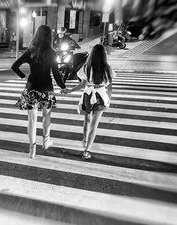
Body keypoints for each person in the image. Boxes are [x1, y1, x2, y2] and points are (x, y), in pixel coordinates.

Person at [12, 25, 67, 159]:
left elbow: (14, 66)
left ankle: (32, 150)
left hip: (32, 87)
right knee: (46, 115)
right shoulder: (52, 53)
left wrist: (23, 76)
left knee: (31, 120)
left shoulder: (30, 51)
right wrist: (63, 87)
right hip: (46, 88)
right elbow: (56, 73)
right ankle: (46, 141)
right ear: (49, 37)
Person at [63, 44, 116, 160]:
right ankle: (86, 151)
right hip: (101, 96)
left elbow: (82, 85)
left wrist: (69, 90)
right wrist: (108, 99)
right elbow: (110, 87)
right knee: (94, 125)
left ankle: (84, 139)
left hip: (88, 95)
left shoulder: (86, 67)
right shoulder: (107, 69)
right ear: (103, 55)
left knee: (87, 120)